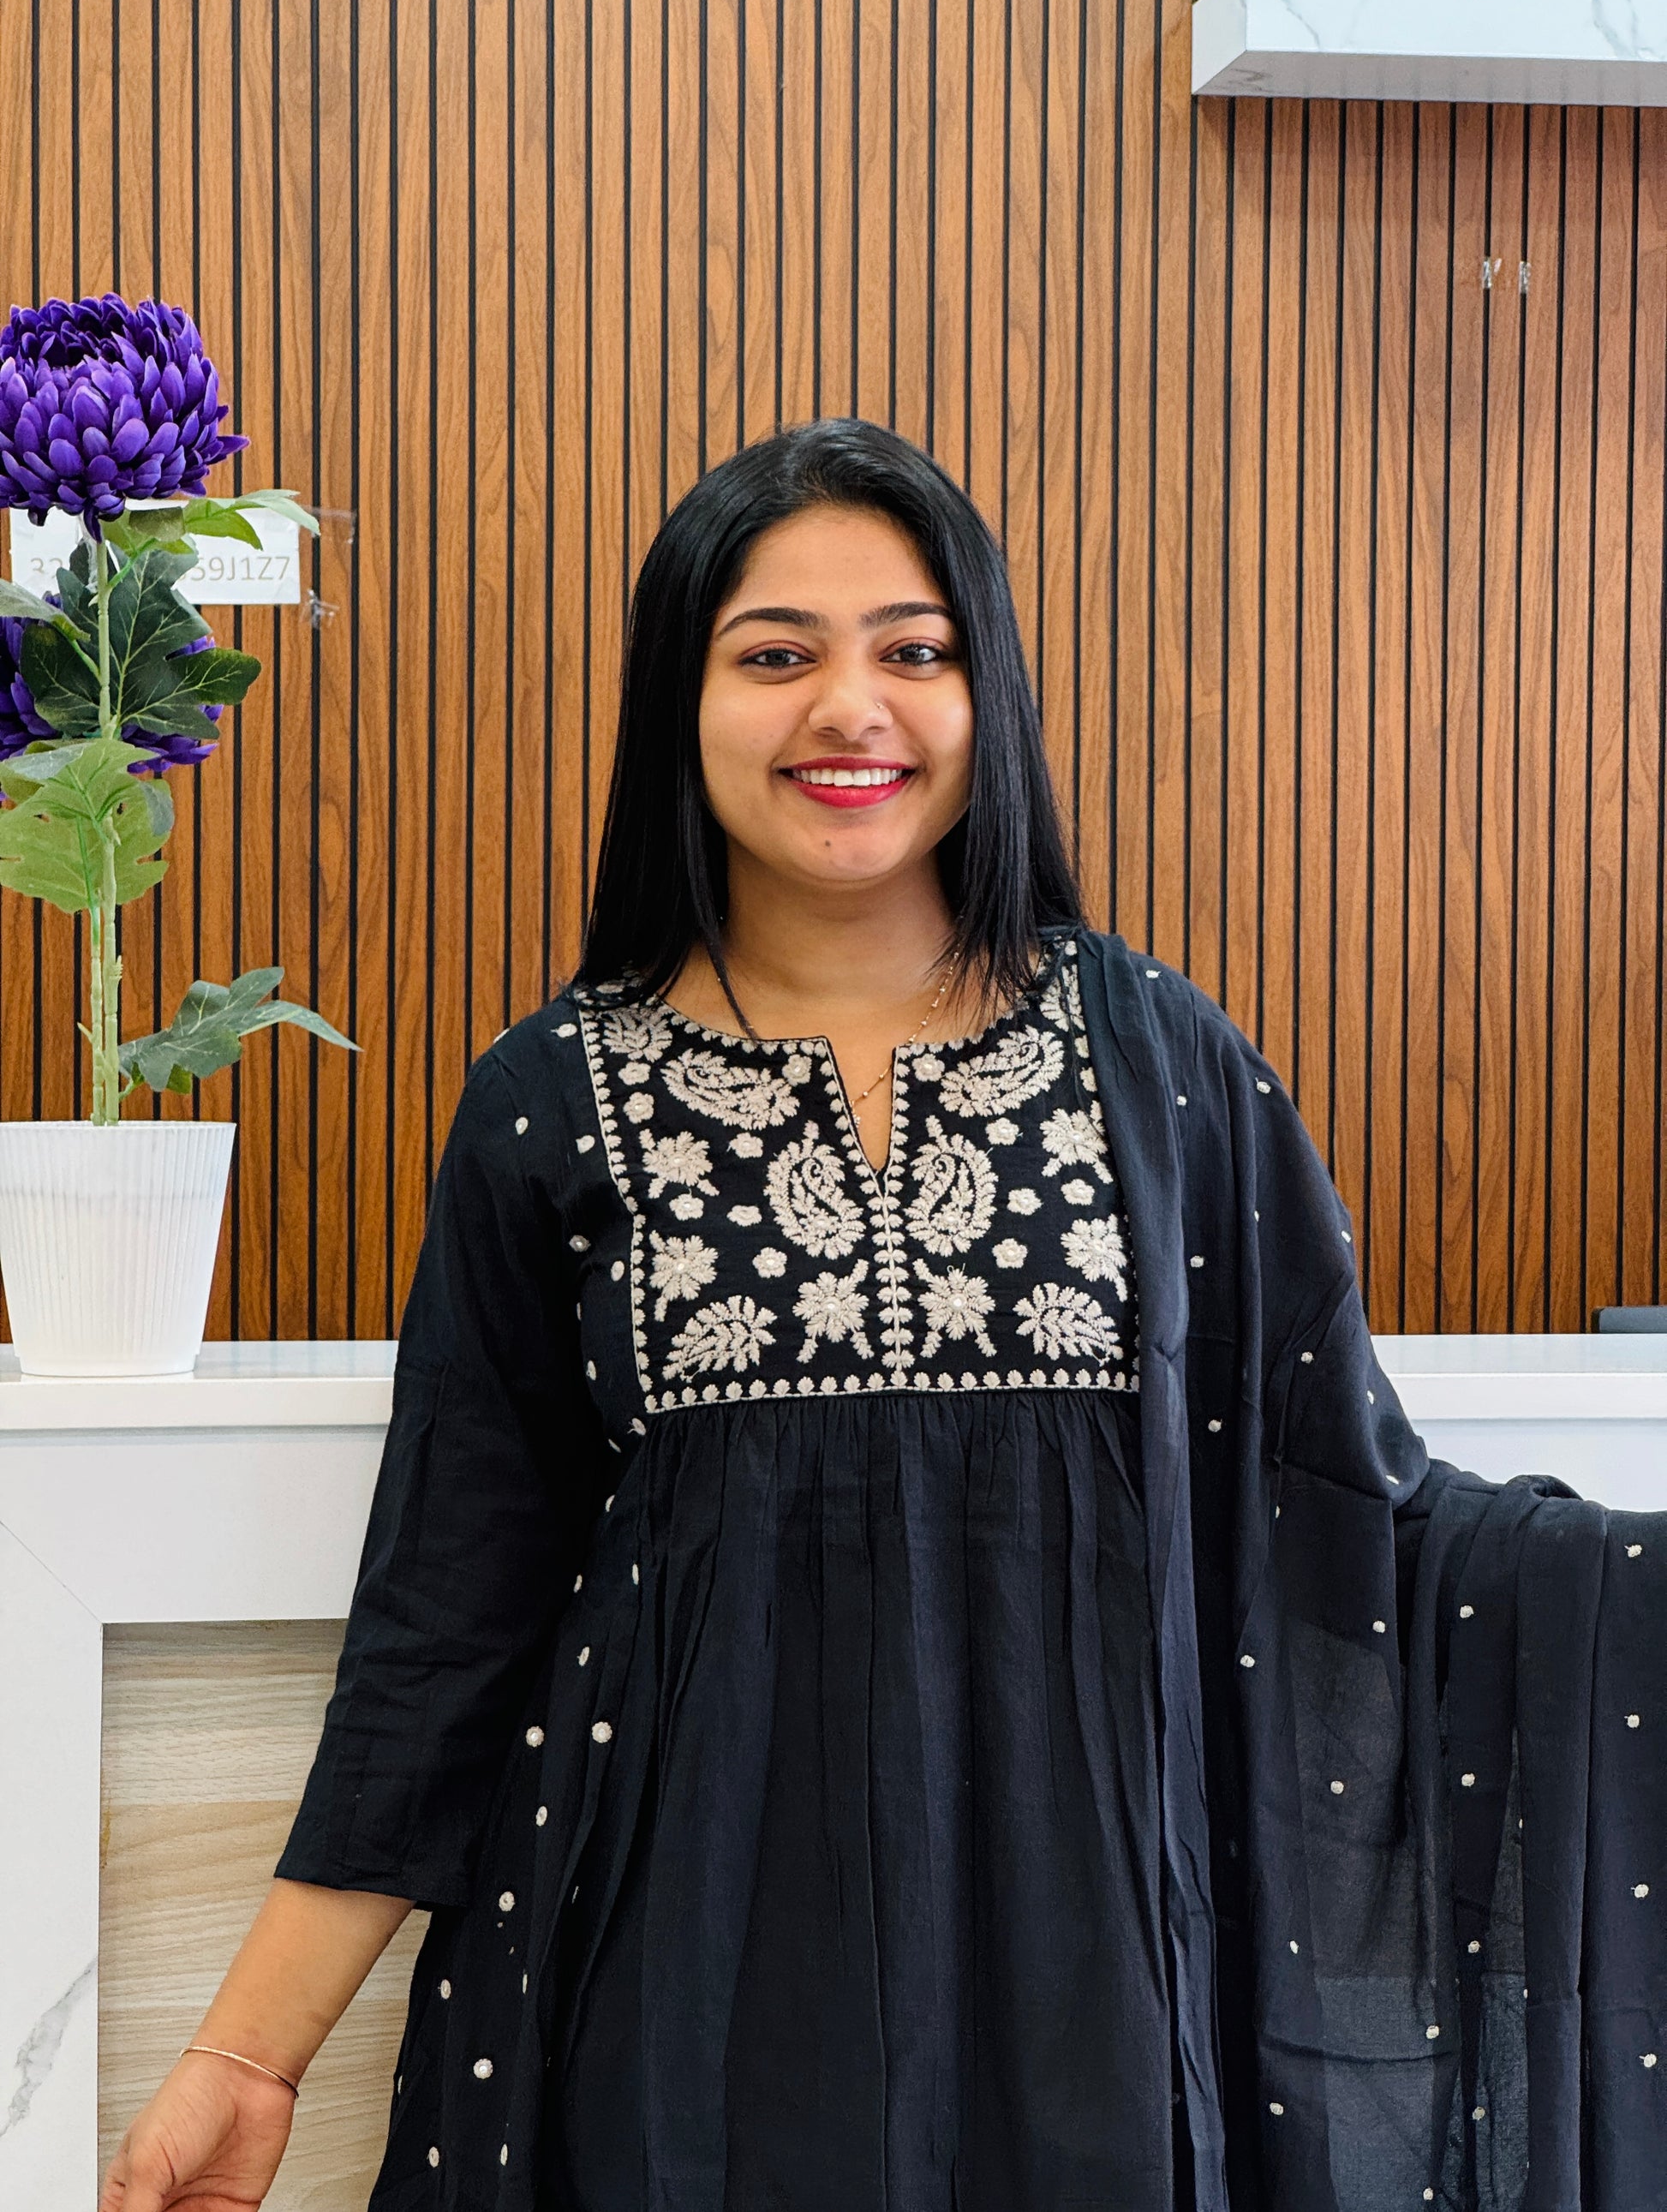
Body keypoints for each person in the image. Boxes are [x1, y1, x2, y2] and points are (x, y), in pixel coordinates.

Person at [99, 420, 1667, 2212]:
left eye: (914, 649)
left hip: (1089, 2000)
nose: (851, 706)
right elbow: (445, 1625)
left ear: (984, 693)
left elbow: (1346, 1509)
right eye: (776, 654)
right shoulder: (550, 1098)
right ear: (681, 702)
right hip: (671, 2004)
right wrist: (245, 2058)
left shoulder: (1159, 1064)